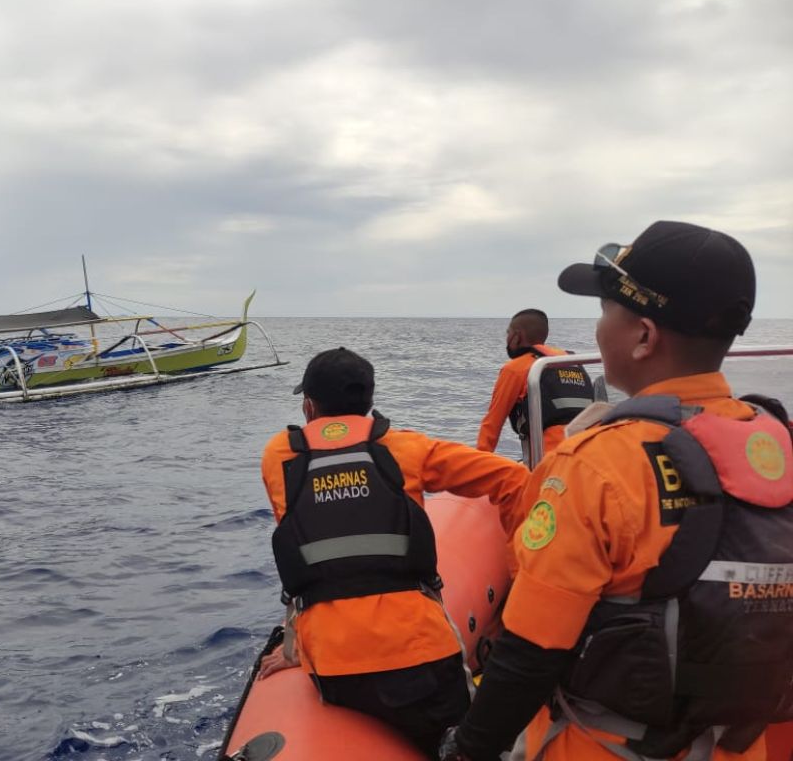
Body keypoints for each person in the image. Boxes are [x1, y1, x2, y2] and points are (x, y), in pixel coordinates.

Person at [441, 221, 793, 761]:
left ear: (645, 336)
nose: (600, 329)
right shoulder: (778, 442)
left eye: (606, 311)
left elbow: (531, 653)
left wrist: (466, 751)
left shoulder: (594, 466)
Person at [256, 347, 530, 755]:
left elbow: (302, 559)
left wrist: (293, 649)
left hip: (334, 668)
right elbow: (515, 478)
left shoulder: (279, 456)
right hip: (422, 659)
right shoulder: (407, 449)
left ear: (308, 406)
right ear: (369, 402)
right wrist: (523, 570)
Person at [476, 308, 595, 459]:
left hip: (552, 460)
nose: (507, 339)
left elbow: (492, 425)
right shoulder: (571, 362)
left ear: (517, 336)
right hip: (589, 452)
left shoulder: (516, 369)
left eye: (508, 333)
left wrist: (478, 465)